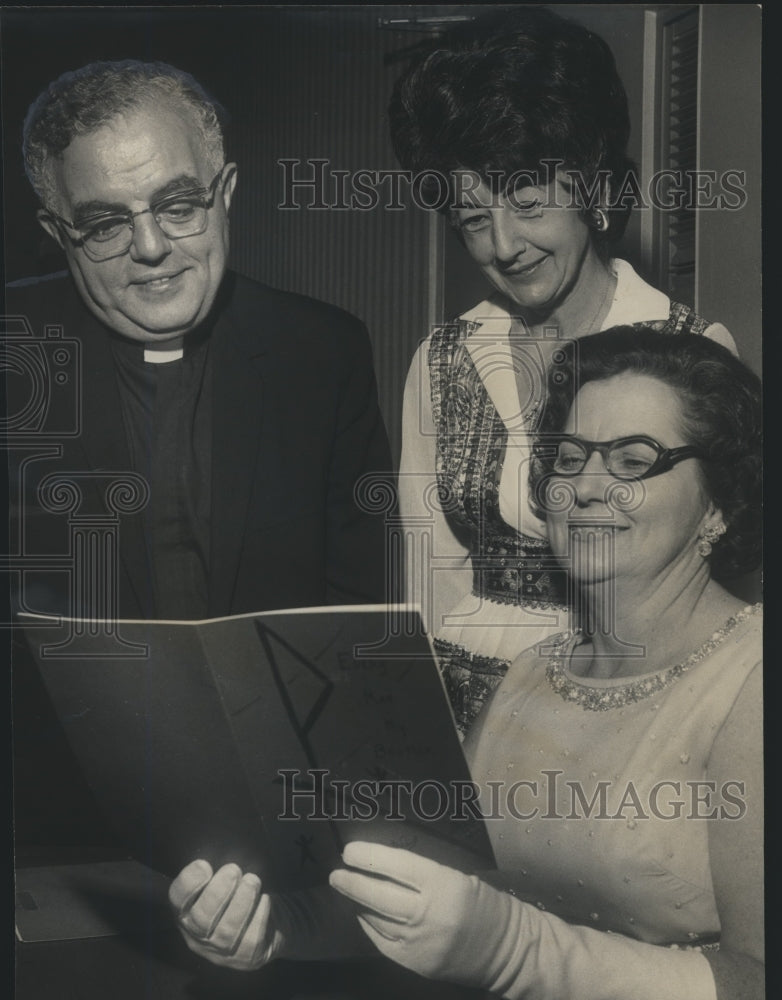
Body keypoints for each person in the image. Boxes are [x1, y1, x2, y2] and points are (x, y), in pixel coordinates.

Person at [170, 329, 762, 999]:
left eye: (633, 459)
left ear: (720, 502)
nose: (588, 487)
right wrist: (271, 927)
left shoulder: (753, 681)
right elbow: (442, 904)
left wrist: (512, 951)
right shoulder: (534, 672)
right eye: (568, 458)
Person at [8, 60, 391, 845]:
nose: (151, 247)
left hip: (284, 816)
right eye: (106, 222)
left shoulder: (323, 353)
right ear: (58, 232)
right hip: (56, 829)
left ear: (226, 192)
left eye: (178, 204)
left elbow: (356, 617)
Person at [389, 6, 737, 736]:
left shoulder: (690, 350)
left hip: (632, 702)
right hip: (465, 713)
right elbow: (432, 583)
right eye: (472, 218)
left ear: (592, 185)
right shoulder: (442, 359)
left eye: (526, 201)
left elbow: (720, 580)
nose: (505, 244)